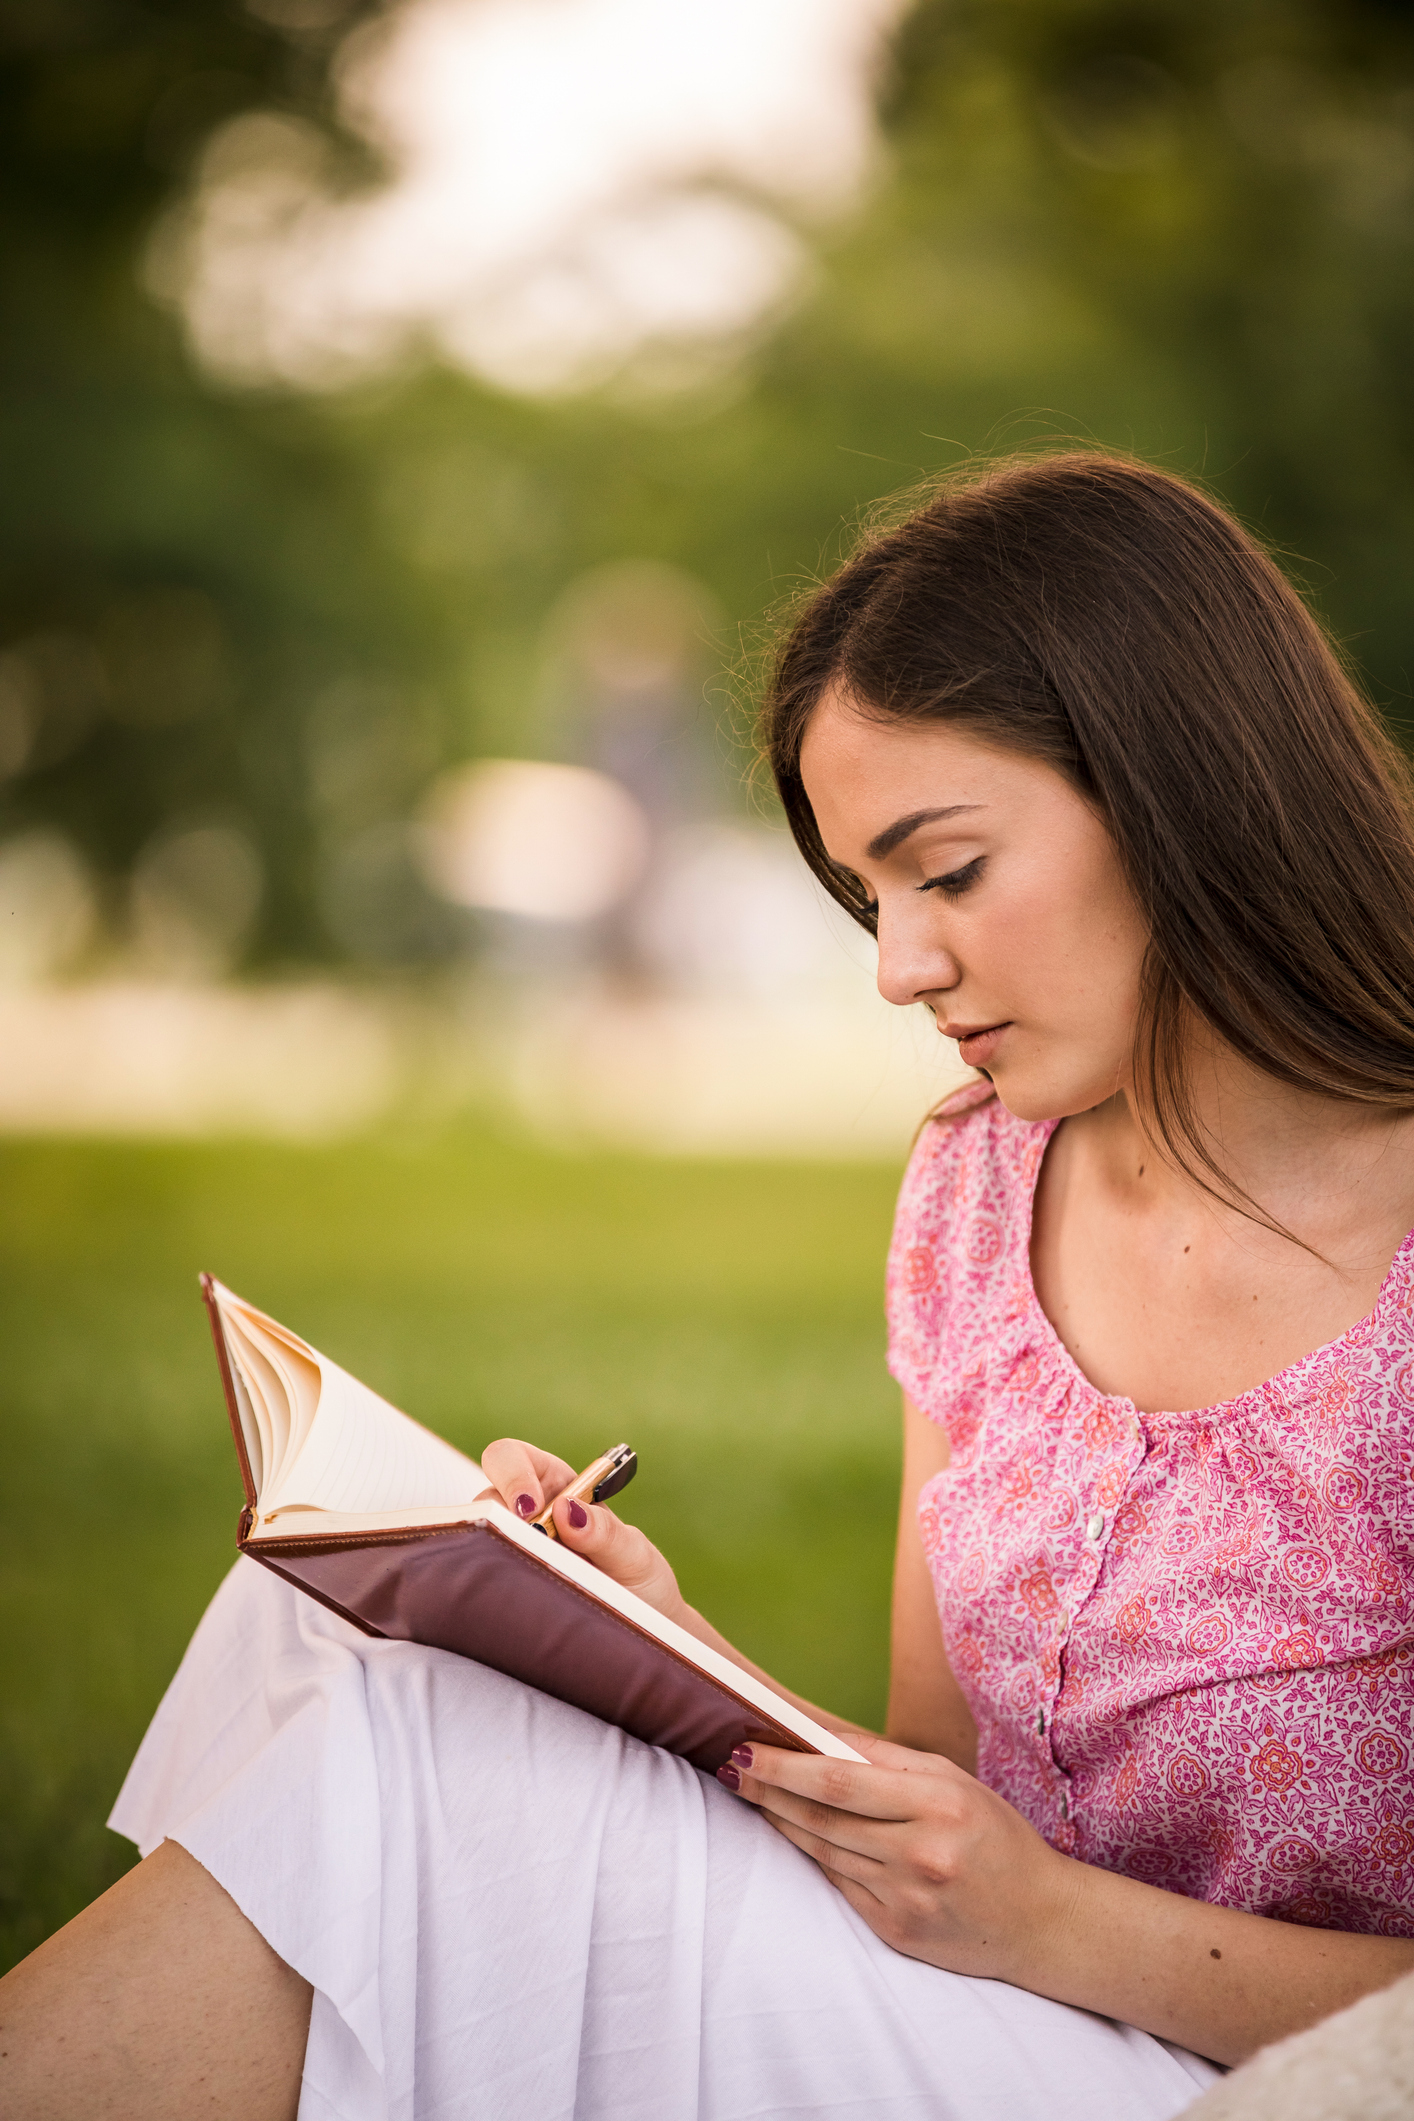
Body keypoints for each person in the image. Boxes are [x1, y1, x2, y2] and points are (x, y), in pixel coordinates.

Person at [3, 452, 1412, 2121]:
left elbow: (1022, 1903)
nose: (901, 969)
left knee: (419, 1791)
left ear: (1178, 785)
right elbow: (945, 1798)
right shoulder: (979, 1187)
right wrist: (652, 1647)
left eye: (947, 871)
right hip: (998, 2029)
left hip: (1255, 2082)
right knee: (422, 1695)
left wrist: (1064, 1930)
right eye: (864, 898)